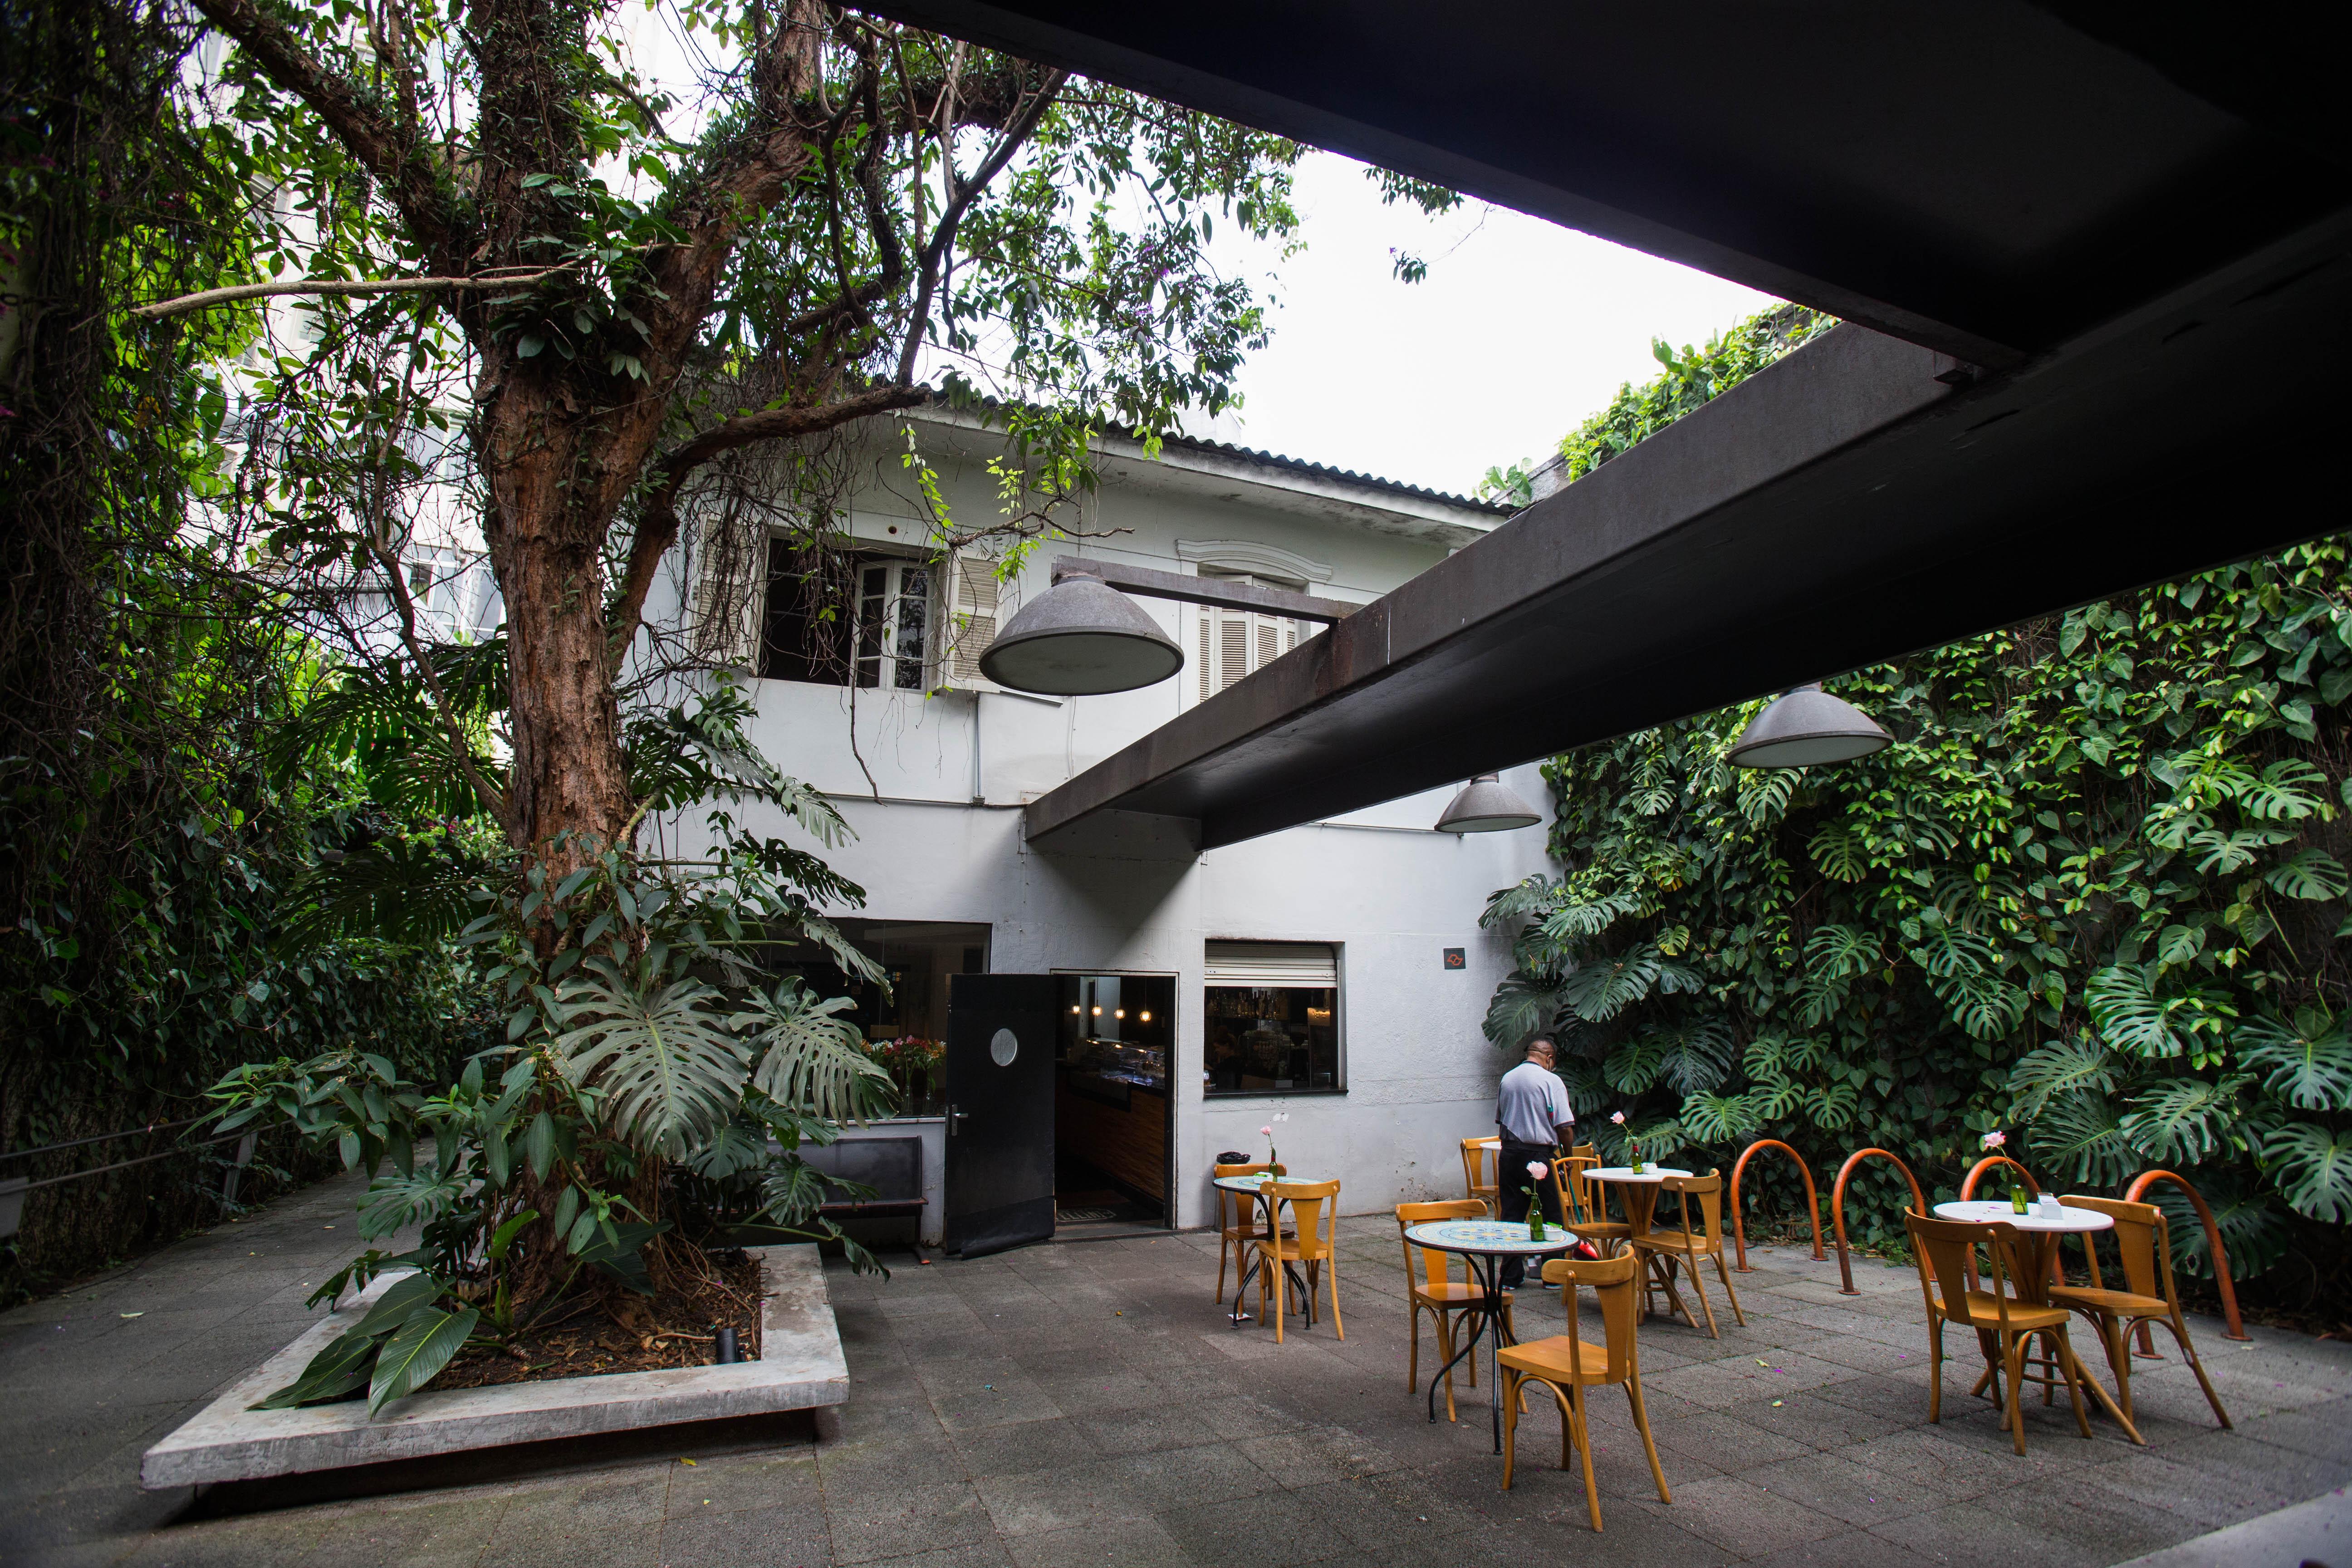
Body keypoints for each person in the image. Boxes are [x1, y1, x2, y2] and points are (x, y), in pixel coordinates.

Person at [1494, 1036, 1574, 1288]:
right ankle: (1553, 1275)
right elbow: (1564, 1127)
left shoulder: (1508, 1079)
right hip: (1538, 1155)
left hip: (1509, 1154)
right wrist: (1567, 1157)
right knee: (1552, 1213)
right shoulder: (1552, 1080)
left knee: (1511, 1214)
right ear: (1549, 1058)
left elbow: (1501, 1119)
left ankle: (1510, 1278)